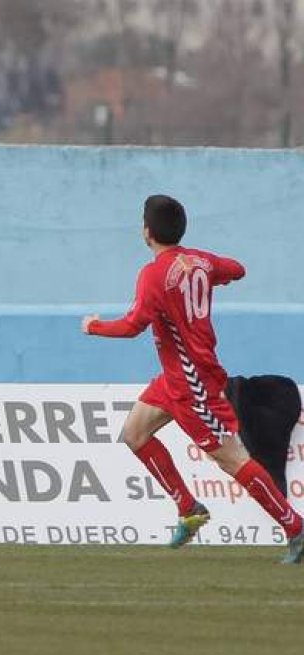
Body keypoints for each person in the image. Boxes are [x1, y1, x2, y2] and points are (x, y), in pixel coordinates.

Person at [83, 194, 303, 563]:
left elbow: (133, 325)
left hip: (192, 382)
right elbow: (237, 269)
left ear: (147, 231)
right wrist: (210, 275)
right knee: (134, 435)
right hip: (174, 377)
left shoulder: (153, 274)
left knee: (232, 459)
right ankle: (188, 508)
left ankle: (296, 528)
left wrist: (94, 326)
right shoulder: (198, 261)